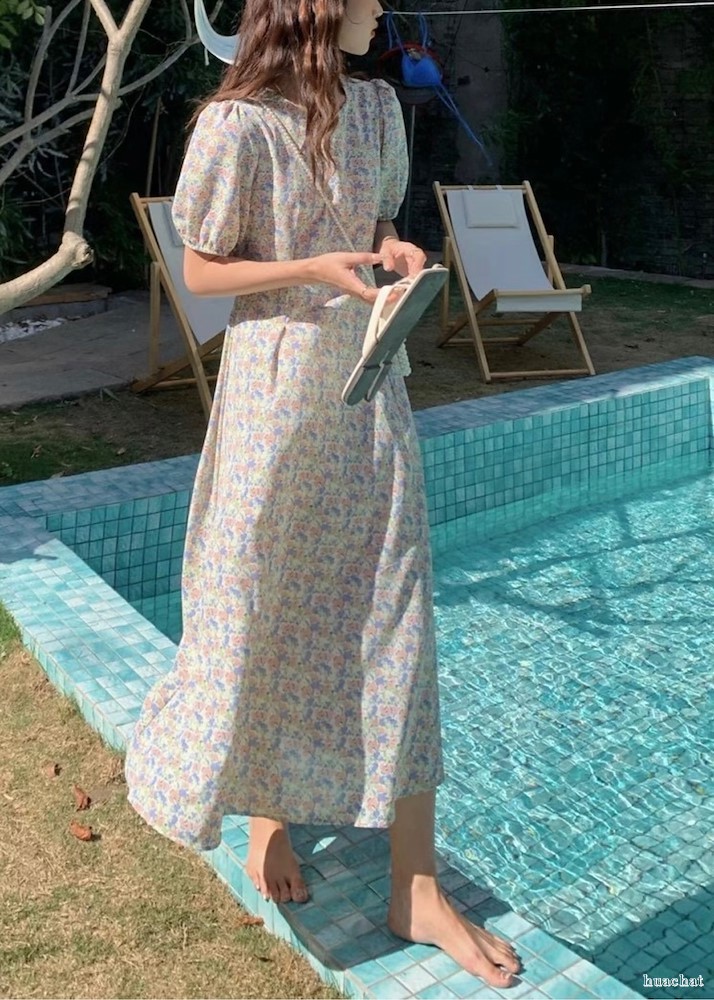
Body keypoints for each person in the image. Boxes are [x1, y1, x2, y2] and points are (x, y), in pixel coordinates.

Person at [124, 0, 520, 988]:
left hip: (369, 383)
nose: (380, 7)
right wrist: (313, 267)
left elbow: (374, 224)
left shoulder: (379, 110)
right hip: (275, 396)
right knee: (265, 604)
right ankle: (269, 815)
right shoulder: (236, 125)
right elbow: (202, 268)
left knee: (397, 615)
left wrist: (393, 253)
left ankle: (416, 884)